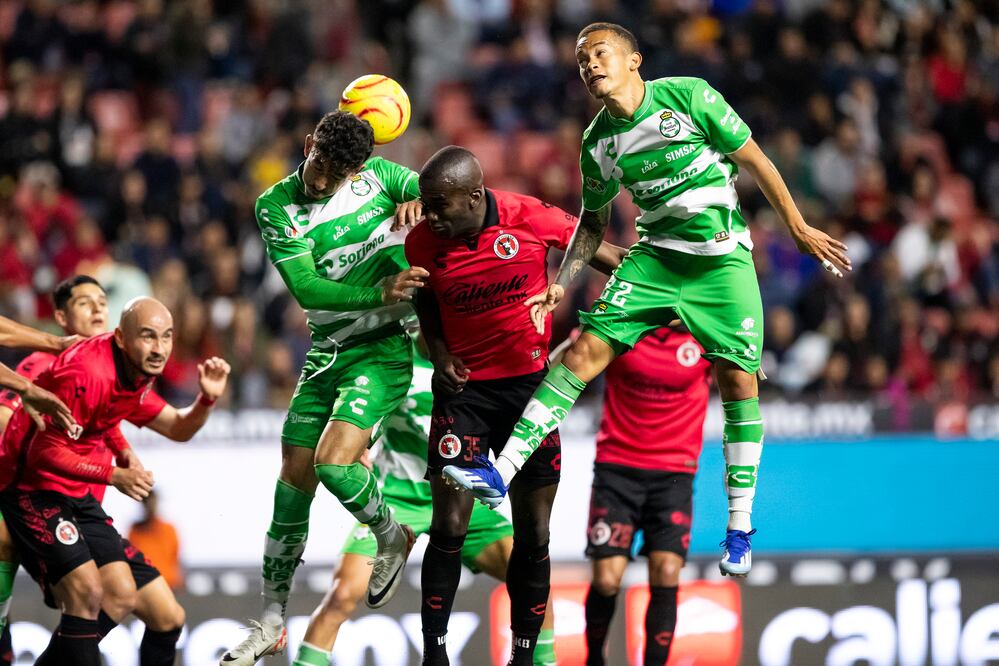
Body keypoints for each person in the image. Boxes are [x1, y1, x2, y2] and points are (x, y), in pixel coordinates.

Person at [444, 22, 852, 576]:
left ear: (634, 60)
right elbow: (592, 225)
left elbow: (755, 159)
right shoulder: (597, 144)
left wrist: (799, 227)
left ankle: (738, 526)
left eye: (600, 53)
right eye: (581, 59)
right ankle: (502, 468)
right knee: (584, 354)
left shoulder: (689, 97)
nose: (589, 64)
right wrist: (562, 280)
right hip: (655, 260)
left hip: (720, 262)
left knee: (738, 382)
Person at [223, 109, 428, 665]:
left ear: (357, 169)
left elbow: (453, 190)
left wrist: (425, 204)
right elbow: (309, 291)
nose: (321, 179)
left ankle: (390, 534)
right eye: (318, 163)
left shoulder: (384, 178)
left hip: (383, 349)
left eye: (336, 174)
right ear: (309, 142)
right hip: (327, 351)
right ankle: (270, 619)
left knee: (336, 464)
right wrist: (382, 291)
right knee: (293, 479)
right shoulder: (274, 205)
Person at [406, 146, 624, 665]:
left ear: (475, 197)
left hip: (531, 394)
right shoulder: (421, 242)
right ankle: (434, 655)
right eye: (427, 205)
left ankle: (523, 657)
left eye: (441, 206)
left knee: (534, 533)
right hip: (465, 395)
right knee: (450, 527)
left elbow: (608, 256)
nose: (432, 217)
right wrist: (438, 352)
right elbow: (423, 298)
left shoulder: (531, 216)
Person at [289, 333, 557, 666]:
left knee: (533, 583)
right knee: (342, 595)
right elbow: (359, 408)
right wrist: (355, 446)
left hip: (461, 495)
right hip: (398, 496)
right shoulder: (394, 359)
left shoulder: (473, 357)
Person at [0, 297, 230, 666]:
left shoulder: (137, 371)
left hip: (76, 494)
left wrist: (205, 399)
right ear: (121, 337)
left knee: (159, 612)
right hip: (31, 488)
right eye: (149, 337)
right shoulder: (85, 371)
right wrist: (113, 474)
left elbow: (176, 427)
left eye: (166, 337)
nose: (159, 348)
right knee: (89, 593)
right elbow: (41, 453)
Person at [563, 328, 711, 665]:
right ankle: (594, 658)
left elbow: (741, 379)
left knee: (668, 570)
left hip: (675, 472)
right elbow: (572, 358)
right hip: (618, 469)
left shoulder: (704, 328)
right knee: (605, 580)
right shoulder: (625, 321)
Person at [127, 491, 183, 590]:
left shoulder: (169, 529)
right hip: (144, 584)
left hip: (167, 583)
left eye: (152, 502)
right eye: (146, 502)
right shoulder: (135, 530)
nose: (150, 506)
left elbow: (176, 557)